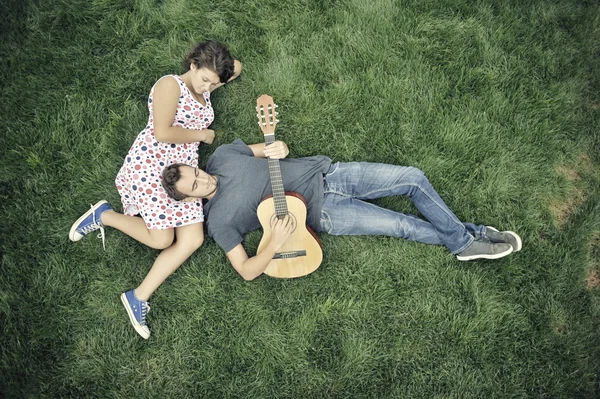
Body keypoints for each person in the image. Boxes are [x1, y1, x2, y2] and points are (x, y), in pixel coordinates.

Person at [68, 40, 242, 339]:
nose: (207, 89)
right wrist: (202, 134)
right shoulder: (170, 86)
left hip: (184, 170)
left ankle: (138, 296)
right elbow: (162, 132)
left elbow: (235, 68)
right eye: (204, 80)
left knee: (193, 239)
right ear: (192, 64)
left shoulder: (208, 79)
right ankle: (105, 215)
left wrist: (220, 68)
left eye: (214, 84)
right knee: (162, 239)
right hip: (153, 164)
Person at [160, 139, 522, 281]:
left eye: (197, 172)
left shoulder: (223, 155)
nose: (204, 179)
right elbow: (246, 270)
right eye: (195, 185)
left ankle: (463, 239)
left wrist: (279, 148)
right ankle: (469, 238)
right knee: (402, 226)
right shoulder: (218, 221)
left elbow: (272, 148)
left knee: (413, 178)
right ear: (189, 200)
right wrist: (275, 243)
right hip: (323, 214)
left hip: (332, 174)